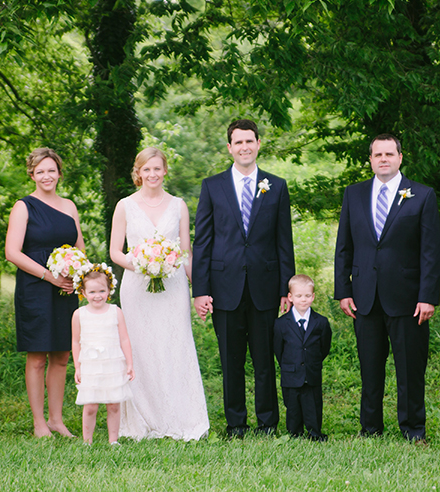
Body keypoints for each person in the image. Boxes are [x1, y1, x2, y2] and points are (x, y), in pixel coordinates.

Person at [334, 133, 440, 443]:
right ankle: (370, 429)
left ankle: (413, 430)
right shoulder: (354, 194)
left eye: (389, 154)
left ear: (400, 158)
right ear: (370, 159)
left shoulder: (421, 195)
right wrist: (344, 290)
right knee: (370, 368)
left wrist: (427, 296)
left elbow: (431, 252)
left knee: (410, 368)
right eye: (377, 154)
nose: (383, 159)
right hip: (364, 296)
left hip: (408, 298)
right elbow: (345, 246)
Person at [193, 119, 295, 438]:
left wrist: (286, 288)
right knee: (231, 362)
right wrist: (201, 290)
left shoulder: (276, 186)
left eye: (249, 141)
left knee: (265, 362)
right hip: (225, 288)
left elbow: (284, 241)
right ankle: (236, 424)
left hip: (265, 288)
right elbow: (203, 242)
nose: (244, 147)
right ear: (229, 148)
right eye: (238, 142)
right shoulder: (212, 186)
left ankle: (267, 423)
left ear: (258, 143)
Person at [110, 147, 209, 441]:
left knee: (174, 345)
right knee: (140, 349)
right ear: (138, 173)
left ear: (165, 170)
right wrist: (141, 264)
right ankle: (143, 419)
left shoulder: (178, 205)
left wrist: (200, 290)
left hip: (173, 286)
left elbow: (186, 252)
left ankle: (181, 418)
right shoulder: (125, 206)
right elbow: (116, 251)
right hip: (137, 287)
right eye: (146, 169)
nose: (152, 174)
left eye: (157, 168)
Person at [5, 147, 85, 438]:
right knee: (38, 356)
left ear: (59, 173)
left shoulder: (69, 206)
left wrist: (77, 277)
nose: (46, 176)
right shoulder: (23, 207)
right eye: (40, 171)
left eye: (51, 170)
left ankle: (56, 420)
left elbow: (79, 248)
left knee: (62, 355)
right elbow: (12, 252)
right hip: (36, 286)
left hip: (66, 288)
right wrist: (49, 276)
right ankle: (39, 422)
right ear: (32, 174)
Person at [72, 266, 134, 445]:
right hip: (90, 366)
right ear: (83, 292)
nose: (97, 295)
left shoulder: (115, 311)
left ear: (109, 291)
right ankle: (87, 441)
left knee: (114, 404)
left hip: (113, 365)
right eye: (92, 292)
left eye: (101, 290)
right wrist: (78, 367)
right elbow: (76, 342)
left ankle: (113, 440)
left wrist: (129, 364)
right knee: (90, 406)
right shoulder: (79, 315)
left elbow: (124, 339)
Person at [273, 274, 332, 441]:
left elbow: (324, 347)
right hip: (291, 372)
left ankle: (314, 433)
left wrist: (313, 361)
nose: (303, 300)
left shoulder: (321, 322)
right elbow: (279, 349)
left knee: (312, 404)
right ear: (290, 297)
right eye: (298, 296)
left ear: (313, 297)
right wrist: (289, 364)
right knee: (292, 406)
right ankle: (294, 433)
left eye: (307, 296)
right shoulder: (281, 324)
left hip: (311, 371)